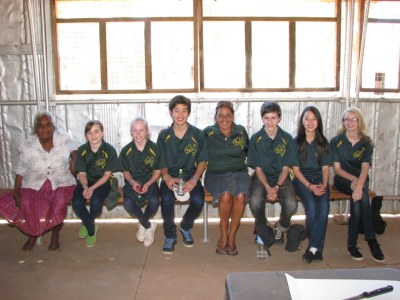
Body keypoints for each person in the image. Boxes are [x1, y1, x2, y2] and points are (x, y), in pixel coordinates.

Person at [0, 111, 77, 252]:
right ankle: (33, 233)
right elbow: (21, 168)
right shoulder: (28, 145)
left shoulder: (63, 138)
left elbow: (74, 150)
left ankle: (55, 235)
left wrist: (74, 161)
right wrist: (16, 191)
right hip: (35, 181)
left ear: (53, 127)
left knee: (59, 201)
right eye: (41, 126)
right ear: (36, 129)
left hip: (62, 180)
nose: (44, 128)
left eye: (48, 125)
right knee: (28, 202)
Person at [330, 107, 385, 262]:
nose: (350, 122)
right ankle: (371, 240)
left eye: (353, 119)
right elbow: (337, 169)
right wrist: (353, 182)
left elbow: (365, 167)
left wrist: (359, 186)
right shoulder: (336, 141)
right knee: (361, 198)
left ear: (359, 121)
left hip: (361, 179)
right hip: (343, 179)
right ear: (343, 122)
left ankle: (352, 245)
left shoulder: (366, 142)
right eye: (346, 119)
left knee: (358, 201)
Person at [157, 95, 208, 254]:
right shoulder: (164, 135)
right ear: (171, 112)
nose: (180, 115)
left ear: (189, 113)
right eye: (176, 111)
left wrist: (194, 180)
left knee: (199, 201)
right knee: (166, 200)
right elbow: (161, 162)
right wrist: (166, 177)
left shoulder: (198, 134)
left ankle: (185, 226)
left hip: (190, 177)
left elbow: (202, 161)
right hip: (170, 177)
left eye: (184, 111)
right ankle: (170, 235)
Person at [248, 101, 298, 258]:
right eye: (266, 118)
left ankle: (281, 227)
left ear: (279, 118)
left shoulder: (287, 139)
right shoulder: (256, 139)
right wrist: (268, 188)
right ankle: (263, 228)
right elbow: (258, 169)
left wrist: (276, 187)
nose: (270, 122)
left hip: (281, 178)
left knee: (291, 204)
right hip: (261, 177)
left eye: (273, 118)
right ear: (262, 119)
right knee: (255, 201)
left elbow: (286, 168)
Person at [203, 101, 250, 256]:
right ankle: (223, 235)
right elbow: (198, 155)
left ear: (233, 117)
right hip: (215, 175)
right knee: (226, 195)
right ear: (215, 117)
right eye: (220, 115)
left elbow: (248, 152)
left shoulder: (241, 131)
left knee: (241, 196)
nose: (224, 118)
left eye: (228, 115)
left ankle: (232, 237)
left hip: (239, 173)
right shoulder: (208, 133)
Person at [289, 106, 331, 264]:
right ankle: (316, 248)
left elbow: (326, 168)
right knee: (312, 207)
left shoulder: (323, 142)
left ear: (318, 121)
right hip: (302, 181)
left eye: (314, 119)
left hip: (320, 180)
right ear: (302, 121)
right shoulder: (296, 143)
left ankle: (313, 248)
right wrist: (310, 186)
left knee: (324, 207)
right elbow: (296, 171)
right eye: (307, 118)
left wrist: (324, 185)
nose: (310, 122)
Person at [72, 120, 119, 248]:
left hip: (103, 182)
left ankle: (89, 226)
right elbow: (81, 174)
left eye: (96, 131)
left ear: (102, 133)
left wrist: (92, 188)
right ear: (86, 135)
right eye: (89, 133)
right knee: (76, 203)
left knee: (96, 202)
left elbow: (106, 175)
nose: (93, 136)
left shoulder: (109, 150)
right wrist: (86, 187)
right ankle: (91, 227)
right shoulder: (82, 150)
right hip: (86, 181)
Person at [120, 117, 161, 247]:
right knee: (128, 204)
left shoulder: (155, 149)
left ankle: (143, 223)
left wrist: (148, 184)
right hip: (133, 183)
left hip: (150, 182)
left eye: (141, 130)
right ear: (131, 132)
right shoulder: (126, 150)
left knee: (154, 202)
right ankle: (148, 225)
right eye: (135, 130)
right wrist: (132, 182)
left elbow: (157, 172)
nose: (138, 134)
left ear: (147, 131)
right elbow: (125, 172)